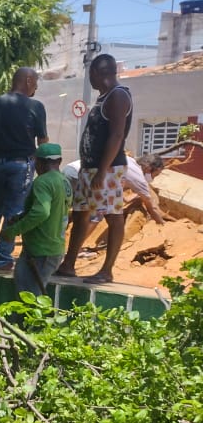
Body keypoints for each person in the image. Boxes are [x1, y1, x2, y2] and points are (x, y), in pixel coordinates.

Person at [55, 54, 133, 284]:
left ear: (100, 73)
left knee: (113, 215)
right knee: (80, 214)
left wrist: (102, 170)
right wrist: (87, 167)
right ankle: (69, 264)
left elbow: (117, 135)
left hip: (107, 169)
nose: (90, 79)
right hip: (90, 169)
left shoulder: (118, 96)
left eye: (91, 74)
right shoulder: (104, 97)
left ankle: (107, 270)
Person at [0, 67, 49, 273]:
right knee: (14, 212)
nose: (36, 86)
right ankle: (4, 258)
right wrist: (43, 166)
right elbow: (42, 141)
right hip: (21, 165)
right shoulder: (35, 106)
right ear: (27, 80)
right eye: (35, 82)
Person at [0, 143, 73, 296]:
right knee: (30, 294)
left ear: (39, 162)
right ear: (59, 161)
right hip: (53, 248)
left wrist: (13, 231)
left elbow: (41, 213)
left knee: (30, 299)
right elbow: (54, 211)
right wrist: (21, 217)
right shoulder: (65, 181)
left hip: (40, 251)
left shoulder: (43, 181)